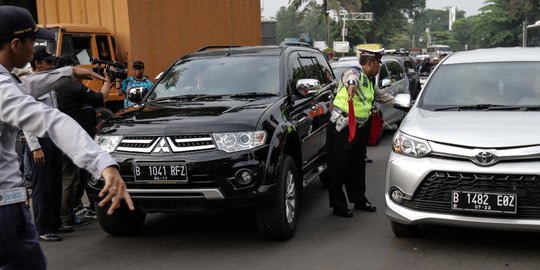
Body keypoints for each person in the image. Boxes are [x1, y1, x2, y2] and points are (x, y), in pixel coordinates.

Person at [0, 6, 133, 269]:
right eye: (34, 42)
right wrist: (102, 162)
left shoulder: (8, 83)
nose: (37, 49)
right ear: (15, 44)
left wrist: (68, 73)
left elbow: (22, 87)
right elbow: (50, 119)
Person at [326, 48, 394, 218]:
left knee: (357, 166)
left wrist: (408, 106)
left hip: (360, 129)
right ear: (370, 62)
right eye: (378, 63)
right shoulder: (353, 73)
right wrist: (351, 87)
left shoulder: (370, 81)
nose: (379, 67)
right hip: (342, 128)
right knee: (339, 167)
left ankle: (359, 200)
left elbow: (384, 97)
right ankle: (338, 205)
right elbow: (351, 80)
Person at [55, 55, 113, 227]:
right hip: (73, 140)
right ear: (72, 69)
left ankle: (73, 210)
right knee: (71, 179)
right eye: (78, 67)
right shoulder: (73, 86)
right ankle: (67, 218)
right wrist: (107, 80)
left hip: (64, 137)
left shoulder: (56, 87)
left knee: (74, 177)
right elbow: (101, 98)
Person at [23, 45, 71, 242]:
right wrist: (35, 147)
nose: (52, 66)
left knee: (54, 182)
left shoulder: (47, 84)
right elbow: (25, 119)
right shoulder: (28, 84)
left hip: (52, 137)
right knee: (42, 186)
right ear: (37, 64)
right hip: (39, 140)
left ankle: (55, 223)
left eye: (53, 63)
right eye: (48, 62)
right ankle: (43, 228)